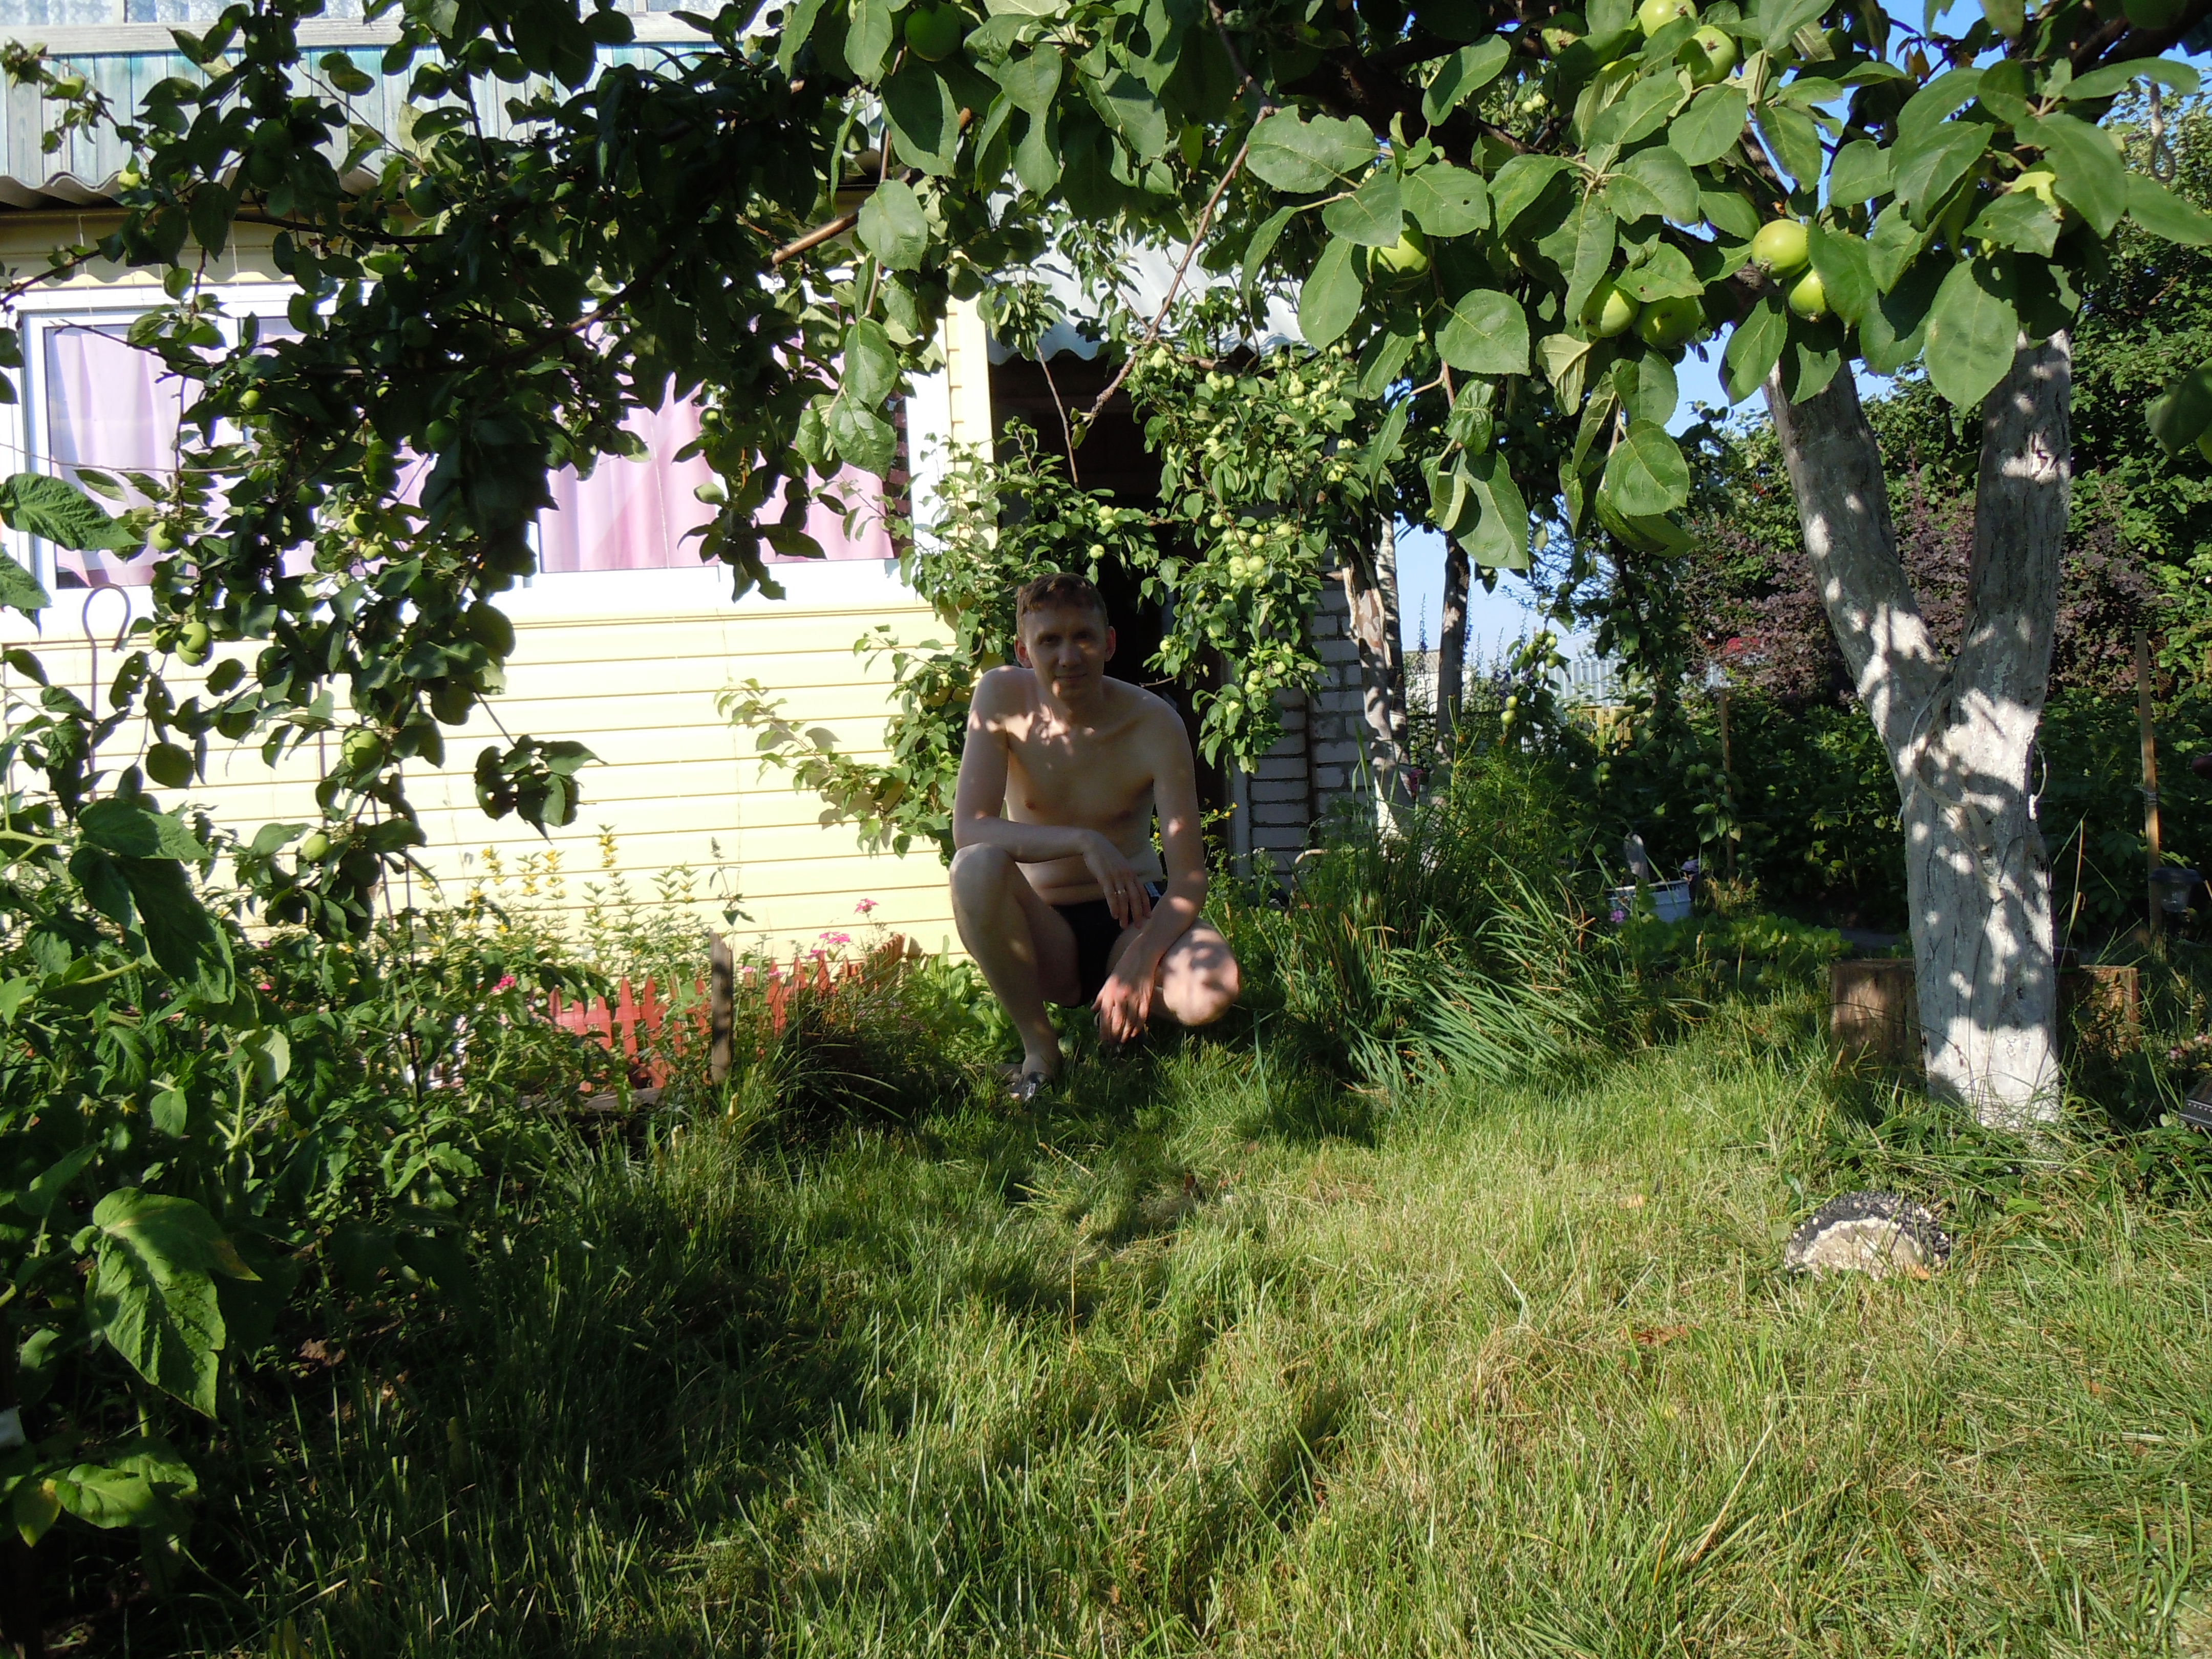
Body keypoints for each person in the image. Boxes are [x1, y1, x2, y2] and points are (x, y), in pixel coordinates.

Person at [949, 571, 1240, 1099]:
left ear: (1108, 643)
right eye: (1049, 641)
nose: (1068, 657)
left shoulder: (1155, 722)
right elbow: (969, 828)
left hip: (1135, 917)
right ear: (1023, 651)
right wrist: (1085, 841)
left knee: (1212, 991)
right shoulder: (1001, 697)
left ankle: (1124, 1010)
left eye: (1083, 637)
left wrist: (1140, 961)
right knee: (974, 866)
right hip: (1046, 931)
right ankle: (1041, 1049)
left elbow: (1189, 880)